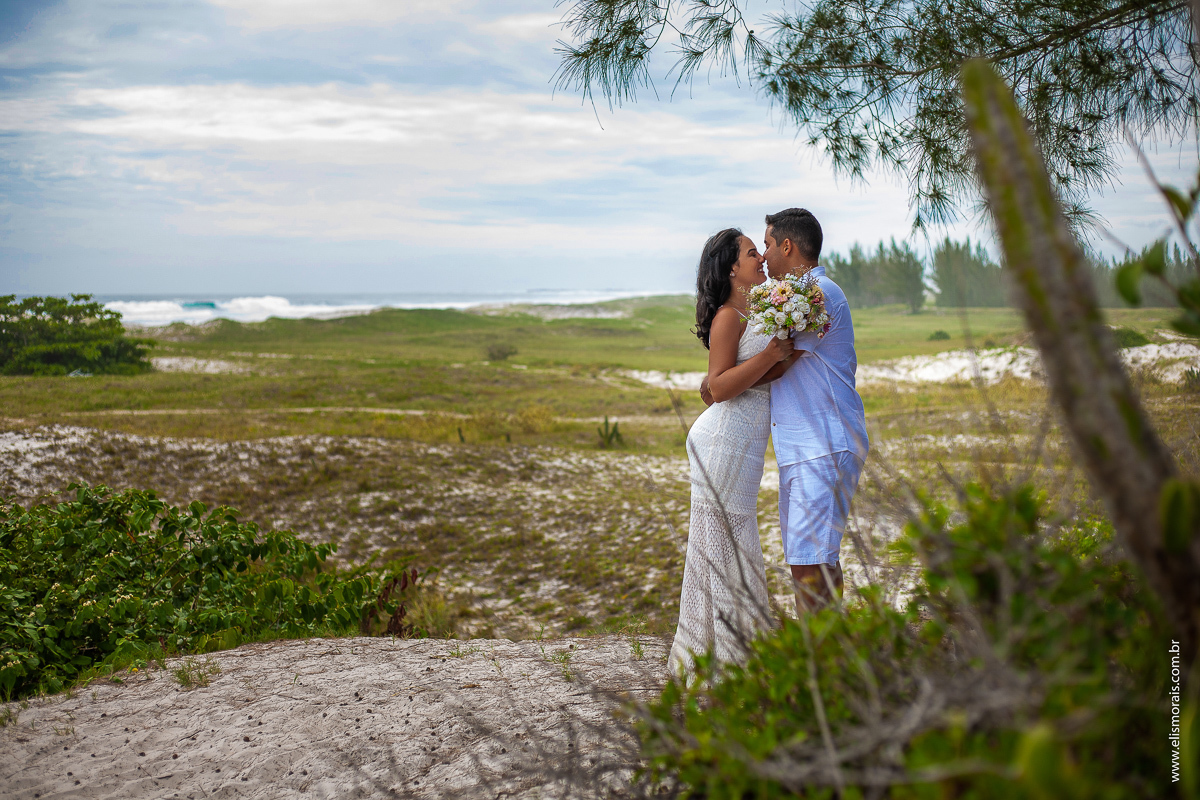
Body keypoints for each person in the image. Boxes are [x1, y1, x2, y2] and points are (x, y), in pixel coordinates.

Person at [668, 228, 795, 679]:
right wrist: (771, 358)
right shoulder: (727, 316)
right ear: (731, 269)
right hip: (722, 441)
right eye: (749, 252)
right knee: (723, 539)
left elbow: (743, 380)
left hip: (742, 439)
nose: (760, 256)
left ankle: (730, 649)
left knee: (731, 539)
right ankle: (723, 658)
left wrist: (783, 358)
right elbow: (719, 387)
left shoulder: (754, 308)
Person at [760, 208, 869, 615]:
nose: (766, 256)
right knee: (813, 557)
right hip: (807, 444)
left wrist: (722, 382)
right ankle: (827, 649)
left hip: (823, 441)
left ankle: (819, 657)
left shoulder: (819, 293)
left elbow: (780, 363)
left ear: (787, 245)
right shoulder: (802, 295)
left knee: (810, 562)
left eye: (768, 245)